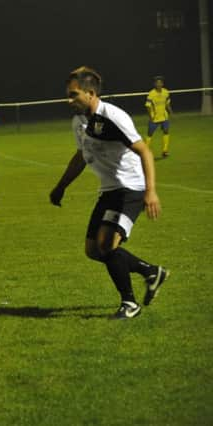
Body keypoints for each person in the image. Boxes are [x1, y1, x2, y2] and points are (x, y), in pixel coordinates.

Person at [49, 66, 170, 319]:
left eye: (73, 95)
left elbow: (145, 151)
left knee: (106, 244)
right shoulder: (79, 121)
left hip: (130, 188)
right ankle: (151, 271)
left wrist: (151, 192)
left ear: (90, 93)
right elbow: (81, 155)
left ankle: (130, 304)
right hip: (109, 190)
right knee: (93, 250)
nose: (68, 100)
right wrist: (61, 186)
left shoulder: (113, 117)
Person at [144, 76, 173, 157]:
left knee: (166, 131)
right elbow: (148, 106)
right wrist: (150, 117)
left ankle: (165, 151)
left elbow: (167, 104)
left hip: (164, 116)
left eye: (160, 83)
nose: (159, 84)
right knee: (150, 134)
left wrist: (171, 112)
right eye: (157, 83)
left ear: (163, 84)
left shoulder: (166, 92)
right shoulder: (151, 93)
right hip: (154, 117)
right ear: (154, 84)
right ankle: (145, 151)